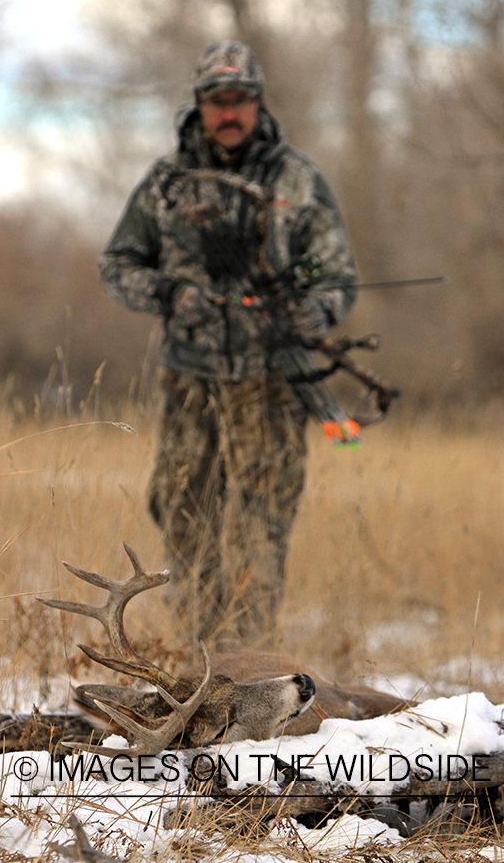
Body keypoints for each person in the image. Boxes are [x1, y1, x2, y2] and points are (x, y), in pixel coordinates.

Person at [98, 40, 357, 648]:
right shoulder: (166, 183)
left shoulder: (298, 176)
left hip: (271, 383)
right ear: (199, 105)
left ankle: (247, 667)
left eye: (239, 99)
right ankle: (192, 658)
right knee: (182, 507)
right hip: (189, 380)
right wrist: (168, 294)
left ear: (258, 101)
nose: (229, 112)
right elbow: (117, 264)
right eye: (217, 100)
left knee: (259, 521)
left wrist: (315, 308)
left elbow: (337, 276)